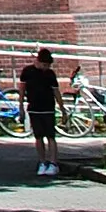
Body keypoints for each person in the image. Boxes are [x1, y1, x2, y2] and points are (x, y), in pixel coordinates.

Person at [22, 45, 61, 176]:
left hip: (48, 108)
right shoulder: (27, 72)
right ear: (38, 61)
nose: (46, 68)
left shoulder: (50, 74)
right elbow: (22, 89)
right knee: (38, 136)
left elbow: (56, 91)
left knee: (51, 136)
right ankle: (42, 161)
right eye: (44, 65)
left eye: (48, 65)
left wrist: (62, 108)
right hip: (34, 108)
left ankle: (53, 162)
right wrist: (21, 106)